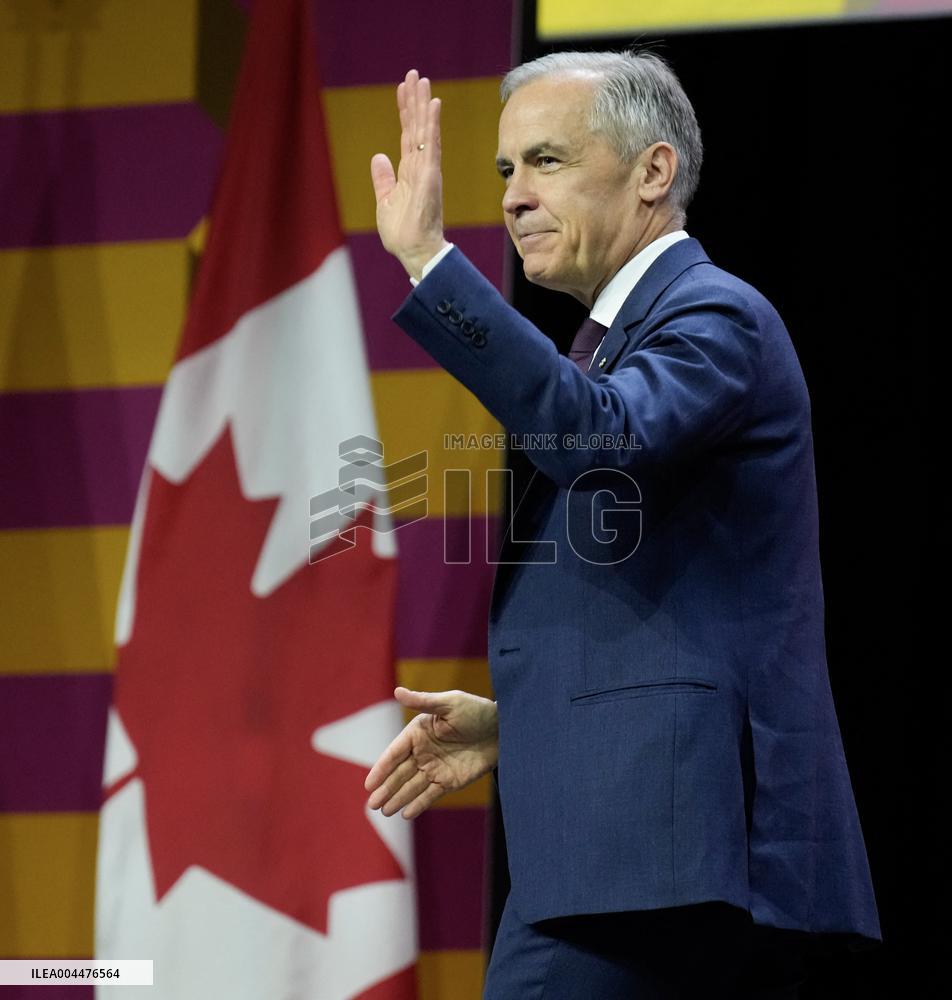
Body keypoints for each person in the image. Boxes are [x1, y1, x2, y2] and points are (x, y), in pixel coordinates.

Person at [364, 52, 881, 998]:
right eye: (505, 171)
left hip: (666, 864)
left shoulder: (716, 314)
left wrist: (432, 265)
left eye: (547, 160)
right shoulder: (617, 343)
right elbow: (668, 602)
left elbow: (601, 440)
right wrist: (512, 725)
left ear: (653, 172)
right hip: (627, 856)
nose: (515, 196)